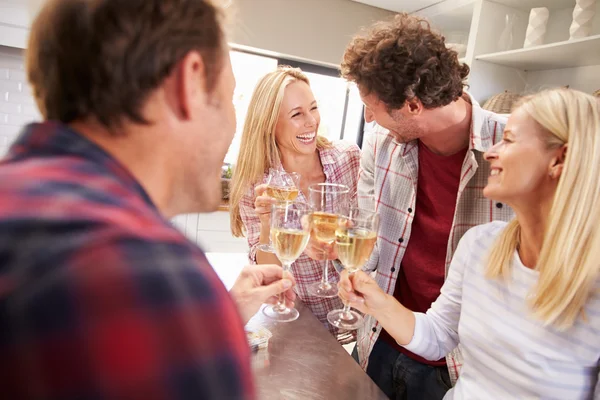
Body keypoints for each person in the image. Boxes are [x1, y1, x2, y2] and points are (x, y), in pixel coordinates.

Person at [0, 0, 295, 398]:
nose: (231, 123)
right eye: (230, 97)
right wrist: (201, 319)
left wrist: (222, 311)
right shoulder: (153, 279)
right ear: (188, 84)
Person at [340, 88, 600, 399]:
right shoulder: (481, 245)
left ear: (559, 159)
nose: (490, 152)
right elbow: (438, 335)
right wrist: (376, 302)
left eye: (511, 140)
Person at [340, 12, 514, 399]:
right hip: (381, 341)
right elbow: (368, 239)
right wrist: (348, 267)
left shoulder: (513, 149)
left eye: (374, 106)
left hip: (460, 368)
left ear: (413, 105)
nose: (369, 118)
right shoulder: (380, 146)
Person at [229, 66, 361, 340]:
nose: (311, 121)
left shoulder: (348, 158)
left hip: (358, 320)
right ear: (270, 124)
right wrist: (268, 223)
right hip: (300, 327)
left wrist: (336, 243)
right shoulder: (256, 185)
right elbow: (267, 274)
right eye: (297, 114)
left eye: (313, 108)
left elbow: (371, 239)